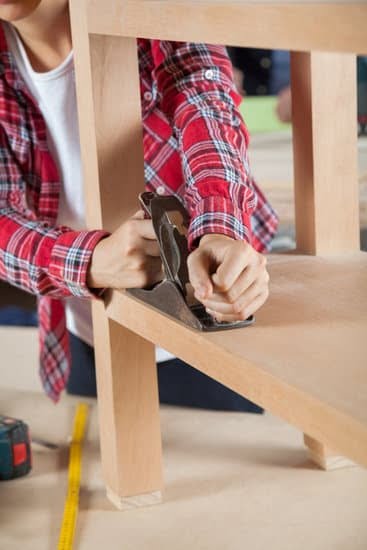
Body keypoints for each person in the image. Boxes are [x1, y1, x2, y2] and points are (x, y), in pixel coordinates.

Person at [0, 1, 278, 410]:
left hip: (216, 324)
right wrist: (89, 261)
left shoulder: (150, 14)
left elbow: (203, 100)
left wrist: (220, 228)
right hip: (87, 328)